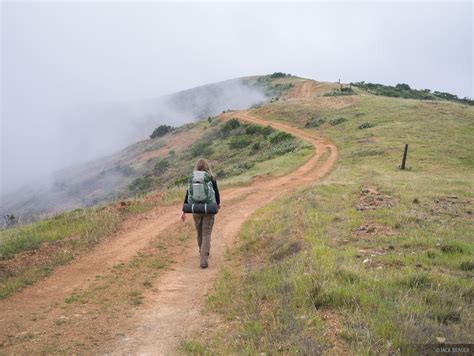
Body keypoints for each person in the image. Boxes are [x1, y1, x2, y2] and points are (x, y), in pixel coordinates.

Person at [181, 158, 220, 268]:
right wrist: (217, 204)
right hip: (208, 208)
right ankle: (204, 259)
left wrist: (184, 210)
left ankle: (201, 250)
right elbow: (216, 193)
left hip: (195, 208)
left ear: (196, 166)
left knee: (199, 231)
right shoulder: (211, 178)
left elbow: (188, 194)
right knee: (206, 233)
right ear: (207, 166)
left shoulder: (192, 178)